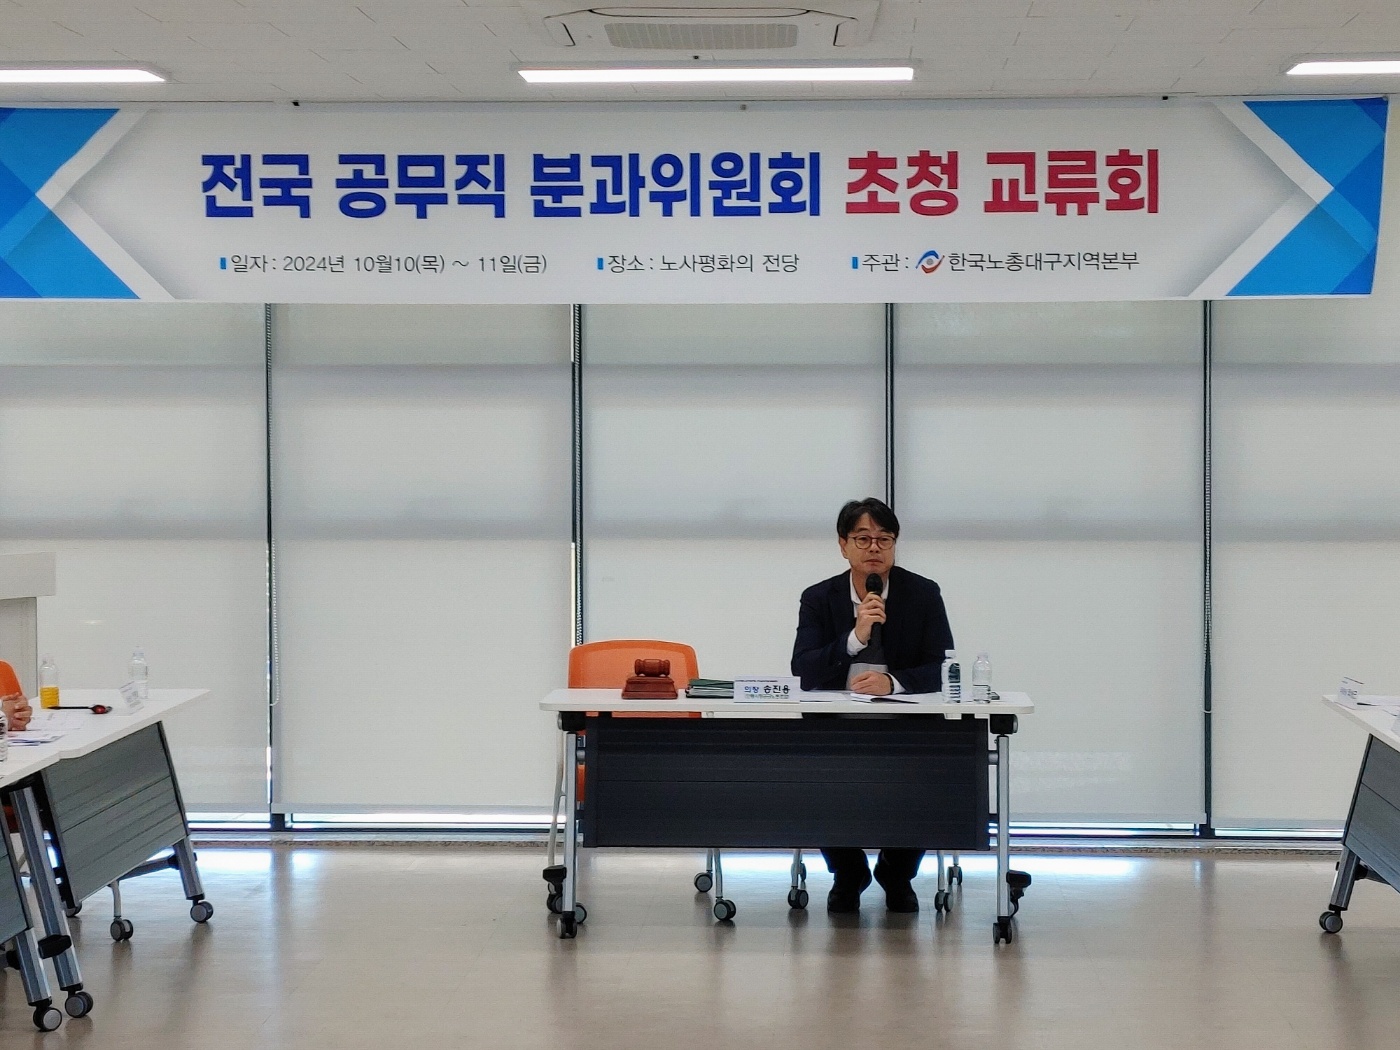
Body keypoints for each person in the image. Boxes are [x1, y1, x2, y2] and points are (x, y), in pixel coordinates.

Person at [791, 497, 954, 913]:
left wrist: (893, 683)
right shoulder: (819, 598)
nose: (874, 548)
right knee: (815, 778)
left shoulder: (923, 593)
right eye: (863, 539)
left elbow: (942, 666)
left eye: (885, 539)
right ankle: (849, 873)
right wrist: (855, 637)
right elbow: (804, 669)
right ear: (843, 545)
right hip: (835, 724)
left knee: (929, 777)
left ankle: (896, 874)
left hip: (906, 722)